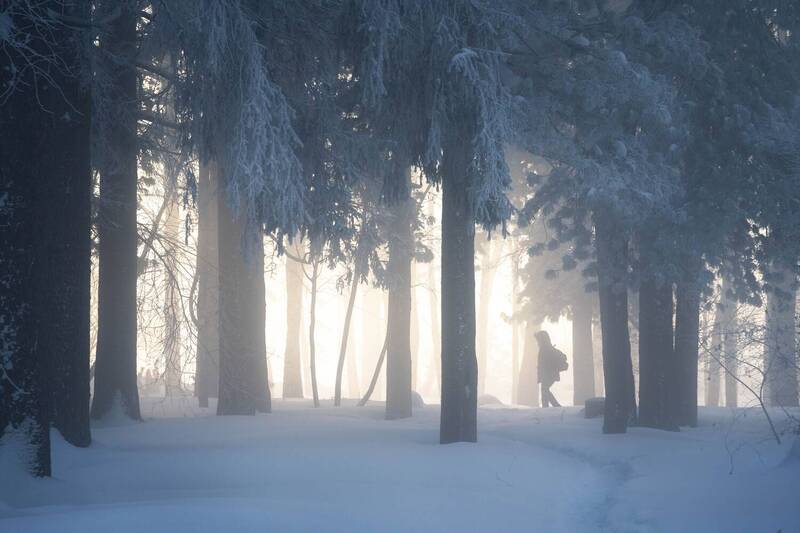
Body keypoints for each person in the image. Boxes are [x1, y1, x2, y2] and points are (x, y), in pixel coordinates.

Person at [535, 330, 567, 407]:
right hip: (549, 374)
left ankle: (550, 406)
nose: (537, 342)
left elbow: (544, 363)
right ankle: (550, 406)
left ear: (542, 339)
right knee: (545, 390)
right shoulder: (547, 348)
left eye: (538, 340)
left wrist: (541, 372)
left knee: (544, 389)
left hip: (548, 374)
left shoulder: (545, 349)